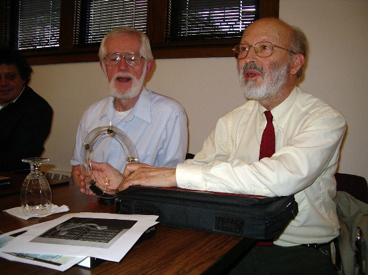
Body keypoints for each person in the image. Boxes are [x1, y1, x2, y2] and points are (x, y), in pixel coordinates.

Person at [84, 18, 347, 274]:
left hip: (302, 251)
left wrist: (175, 174)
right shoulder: (231, 121)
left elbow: (282, 176)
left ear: (295, 63)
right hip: (236, 244)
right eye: (243, 49)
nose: (248, 58)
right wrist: (128, 183)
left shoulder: (325, 119)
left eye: (263, 48)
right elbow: (193, 181)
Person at [71, 26, 188, 193]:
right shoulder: (91, 114)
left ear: (148, 68)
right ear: (104, 67)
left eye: (132, 58)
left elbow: (171, 185)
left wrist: (121, 186)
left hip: (142, 212)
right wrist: (83, 179)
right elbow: (77, 170)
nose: (122, 67)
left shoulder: (170, 113)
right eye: (114, 59)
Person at [0, 46, 53, 173]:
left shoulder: (38, 109)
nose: (3, 83)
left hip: (14, 183)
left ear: (23, 78)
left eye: (10, 76)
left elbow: (18, 159)